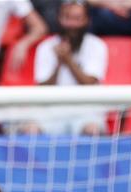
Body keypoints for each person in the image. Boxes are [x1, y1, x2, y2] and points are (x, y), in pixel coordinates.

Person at [29, 0, 107, 135]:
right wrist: (59, 64)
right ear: (59, 19)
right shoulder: (45, 47)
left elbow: (89, 83)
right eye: (67, 18)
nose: (72, 25)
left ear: (87, 20)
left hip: (86, 111)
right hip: (52, 112)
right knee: (31, 129)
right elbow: (43, 88)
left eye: (77, 19)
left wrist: (68, 60)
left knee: (92, 130)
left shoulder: (96, 45)